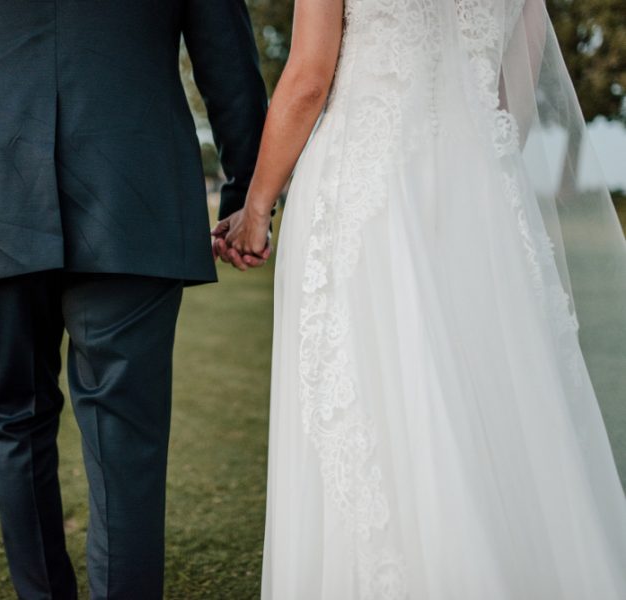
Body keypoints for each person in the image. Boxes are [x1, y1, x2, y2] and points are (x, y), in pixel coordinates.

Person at [214, 0, 626, 597]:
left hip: (369, 192)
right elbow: (516, 91)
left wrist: (256, 207)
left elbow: (306, 80)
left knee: (381, 399)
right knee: (496, 394)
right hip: (481, 192)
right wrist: (471, 152)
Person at [0, 1, 267, 598]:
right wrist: (249, 192)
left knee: (17, 417)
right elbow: (226, 55)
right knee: (126, 438)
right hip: (132, 197)